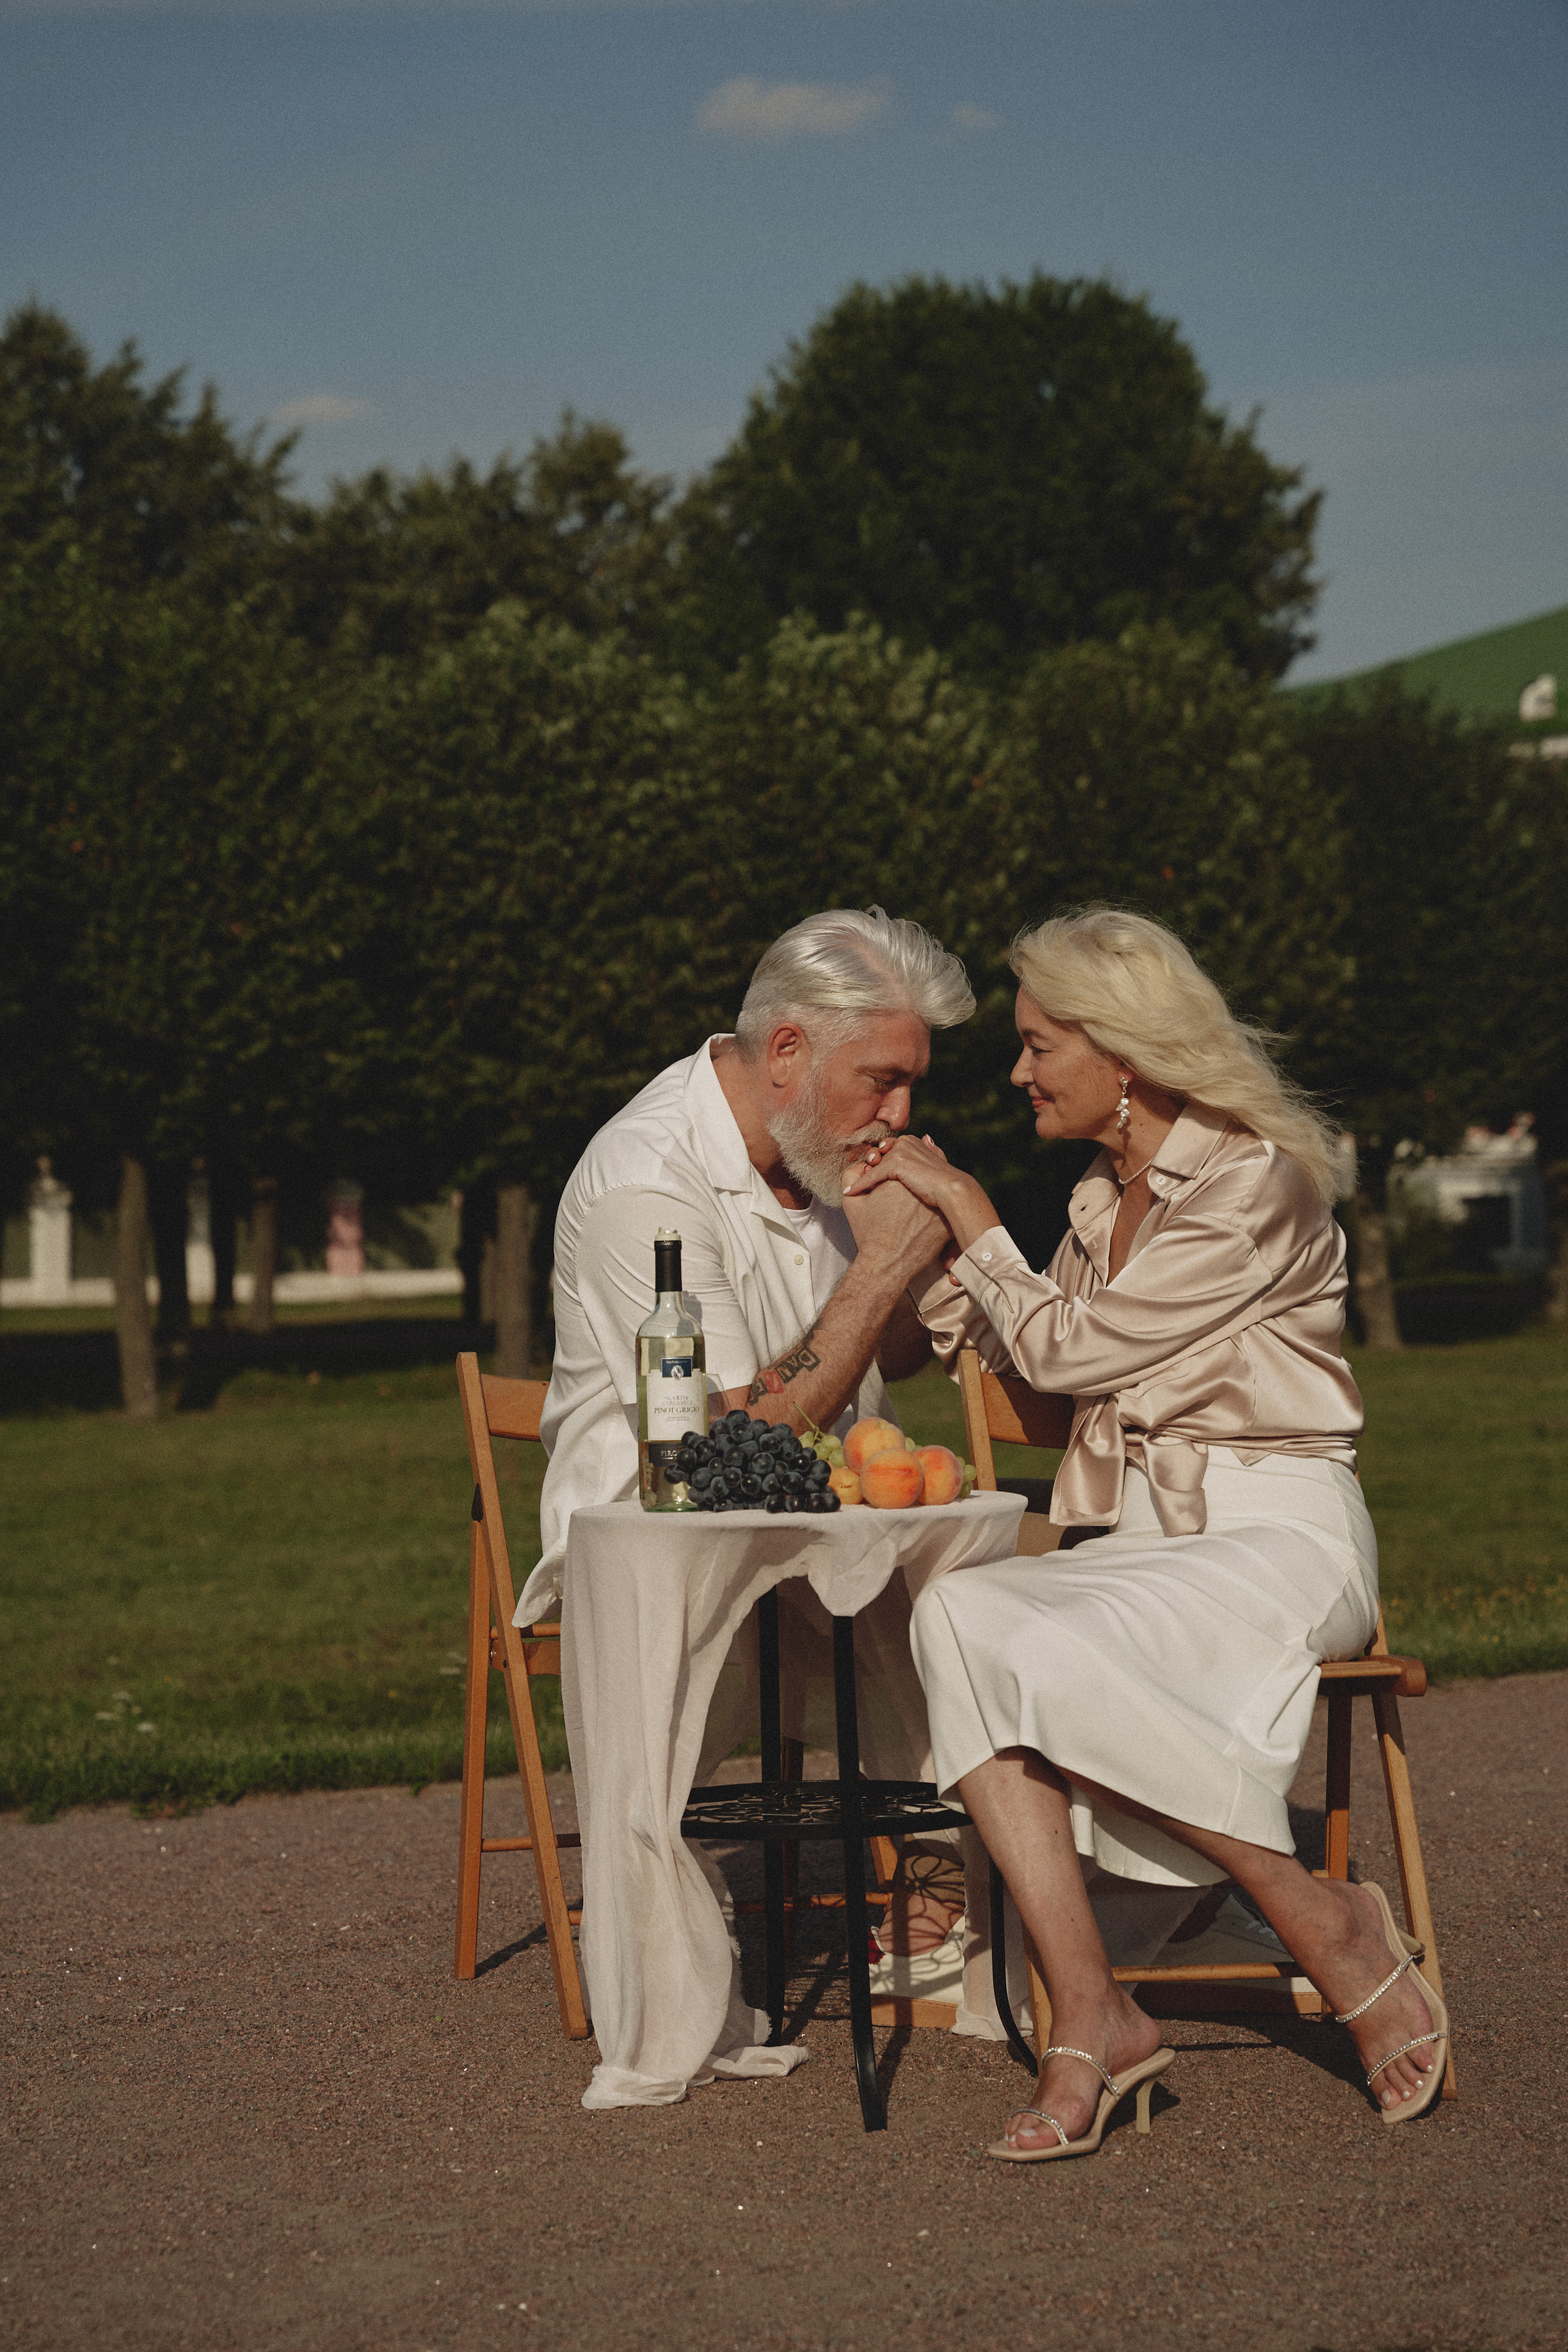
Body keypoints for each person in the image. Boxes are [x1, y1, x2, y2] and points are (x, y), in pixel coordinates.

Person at [844, 907, 1449, 2157]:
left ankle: (1303, 1908)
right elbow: (995, 1334)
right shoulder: (1085, 1208)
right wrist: (891, 1243)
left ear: (1121, 1054)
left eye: (1034, 1046)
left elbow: (1073, 1346)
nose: (1016, 1075)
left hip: (1274, 1537)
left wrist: (960, 1205)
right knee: (958, 1609)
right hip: (1134, 1551)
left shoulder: (1256, 1185)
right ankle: (1095, 2009)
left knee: (1024, 1636)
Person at [515, 907, 974, 1963]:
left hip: (830, 1517)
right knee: (924, 1598)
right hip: (656, 1527)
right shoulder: (650, 1183)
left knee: (984, 1592)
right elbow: (724, 1452)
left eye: (912, 1082)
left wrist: (902, 1254)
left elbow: (891, 1357)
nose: (901, 1112)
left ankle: (976, 1877)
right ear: (785, 1053)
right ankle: (954, 1873)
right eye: (884, 1080)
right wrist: (874, 1272)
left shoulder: (818, 1143)